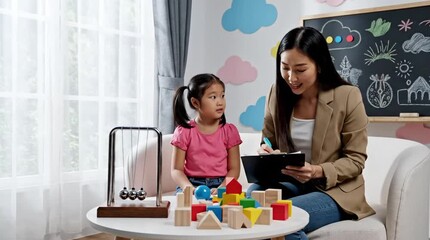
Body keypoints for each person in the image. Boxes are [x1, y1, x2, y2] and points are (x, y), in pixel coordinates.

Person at [246, 26, 375, 239]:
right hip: (290, 183)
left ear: (319, 65)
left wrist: (316, 171)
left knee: (282, 216)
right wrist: (266, 151)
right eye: (285, 67)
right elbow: (268, 140)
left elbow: (356, 160)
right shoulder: (277, 94)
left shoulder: (348, 96)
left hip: (333, 191)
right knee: (250, 200)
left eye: (300, 69)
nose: (290, 77)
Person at [170, 73, 242, 195]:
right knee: (185, 205)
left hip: (221, 184)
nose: (220, 102)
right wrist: (187, 187)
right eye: (213, 97)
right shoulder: (184, 131)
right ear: (195, 103)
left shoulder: (229, 131)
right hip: (192, 183)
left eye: (222, 96)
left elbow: (234, 169)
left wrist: (222, 188)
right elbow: (176, 169)